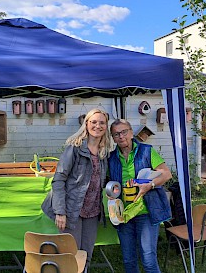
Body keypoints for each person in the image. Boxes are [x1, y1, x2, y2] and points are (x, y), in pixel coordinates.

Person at [41, 108, 112, 272]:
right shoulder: (74, 148)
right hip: (72, 210)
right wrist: (60, 211)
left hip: (92, 211)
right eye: (93, 122)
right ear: (86, 124)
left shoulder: (104, 152)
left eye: (102, 123)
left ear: (106, 126)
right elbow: (59, 179)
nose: (97, 126)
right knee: (70, 256)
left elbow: (99, 179)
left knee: (86, 255)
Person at [108, 119, 172, 273]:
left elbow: (166, 174)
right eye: (116, 134)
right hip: (123, 213)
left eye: (124, 132)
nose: (121, 137)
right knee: (128, 260)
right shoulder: (111, 158)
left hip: (146, 211)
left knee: (148, 259)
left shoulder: (147, 151)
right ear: (113, 138)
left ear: (131, 132)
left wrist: (149, 185)